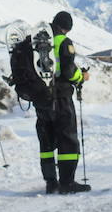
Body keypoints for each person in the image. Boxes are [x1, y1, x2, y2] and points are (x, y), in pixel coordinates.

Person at [35, 11, 91, 194]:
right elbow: (67, 71)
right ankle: (67, 183)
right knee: (67, 139)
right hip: (60, 98)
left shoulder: (37, 40)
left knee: (47, 141)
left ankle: (51, 182)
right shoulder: (62, 42)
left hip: (41, 98)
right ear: (65, 27)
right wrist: (80, 77)